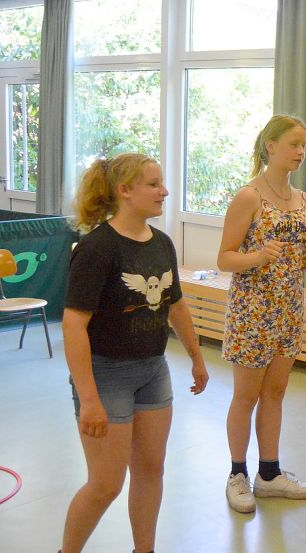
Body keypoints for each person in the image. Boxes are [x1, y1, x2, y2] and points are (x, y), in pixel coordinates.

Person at [61, 153, 209, 553]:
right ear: (124, 191)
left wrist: (196, 356)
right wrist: (89, 398)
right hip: (105, 376)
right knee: (106, 484)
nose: (164, 191)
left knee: (150, 469)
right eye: (153, 184)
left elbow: (175, 305)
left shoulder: (162, 243)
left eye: (162, 183)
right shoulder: (96, 249)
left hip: (153, 371)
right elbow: (74, 325)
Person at [218, 114, 306, 513]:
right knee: (246, 395)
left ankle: (269, 474)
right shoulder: (249, 197)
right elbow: (224, 258)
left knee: (275, 393)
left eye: (304, 146)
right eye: (294, 144)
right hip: (252, 311)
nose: (300, 152)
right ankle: (236, 474)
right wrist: (259, 256)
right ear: (271, 146)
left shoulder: (305, 201)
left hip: (288, 310)